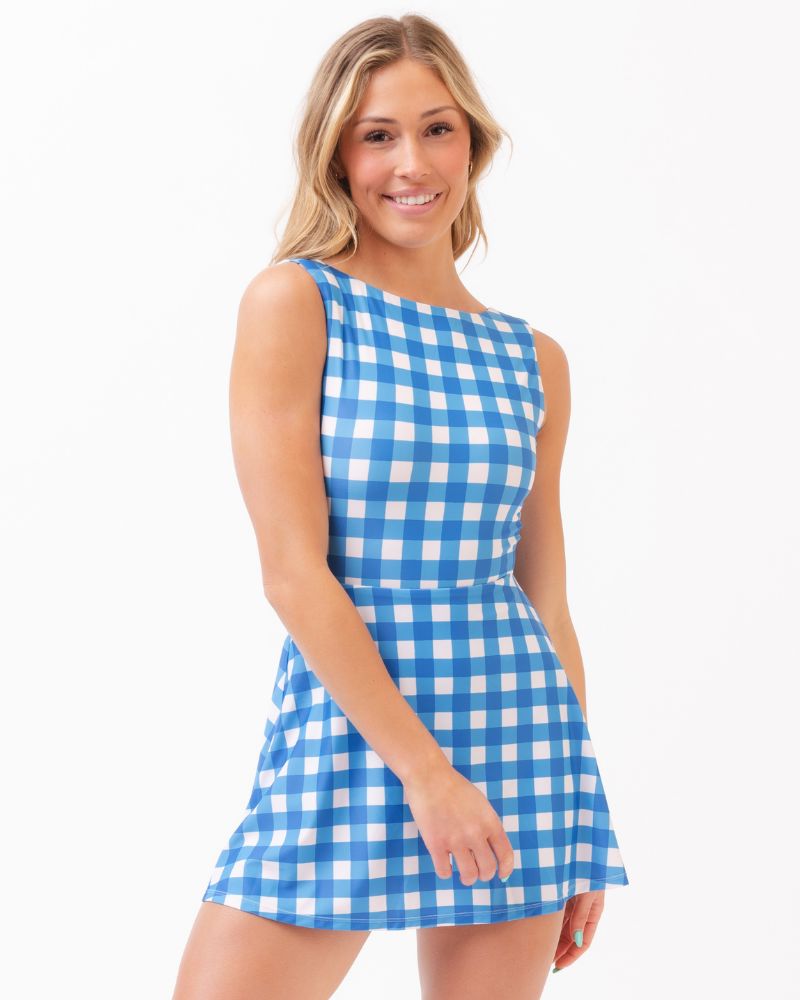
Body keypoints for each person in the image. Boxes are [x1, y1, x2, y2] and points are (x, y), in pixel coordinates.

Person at [172, 13, 629, 1000]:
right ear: (336, 154)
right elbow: (293, 573)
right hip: (354, 725)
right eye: (377, 134)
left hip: (517, 737)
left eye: (437, 129)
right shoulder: (296, 303)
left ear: (473, 144)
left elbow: (546, 600)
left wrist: (581, 818)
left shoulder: (532, 358)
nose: (411, 163)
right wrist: (425, 773)